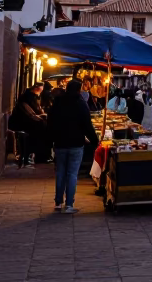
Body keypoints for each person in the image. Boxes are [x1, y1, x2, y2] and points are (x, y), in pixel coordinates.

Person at [48, 79, 98, 213]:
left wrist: (51, 139)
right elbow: (87, 124)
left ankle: (58, 202)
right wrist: (94, 140)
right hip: (76, 143)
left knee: (60, 172)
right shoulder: (80, 103)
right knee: (71, 174)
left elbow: (50, 122)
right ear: (78, 89)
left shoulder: (58, 102)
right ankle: (69, 204)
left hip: (60, 143)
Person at [9, 84, 45, 167]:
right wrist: (40, 116)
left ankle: (26, 157)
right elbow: (31, 112)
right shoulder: (29, 98)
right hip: (25, 124)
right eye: (40, 90)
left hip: (24, 123)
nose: (40, 92)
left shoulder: (27, 96)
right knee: (30, 140)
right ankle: (27, 157)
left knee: (28, 140)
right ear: (36, 89)